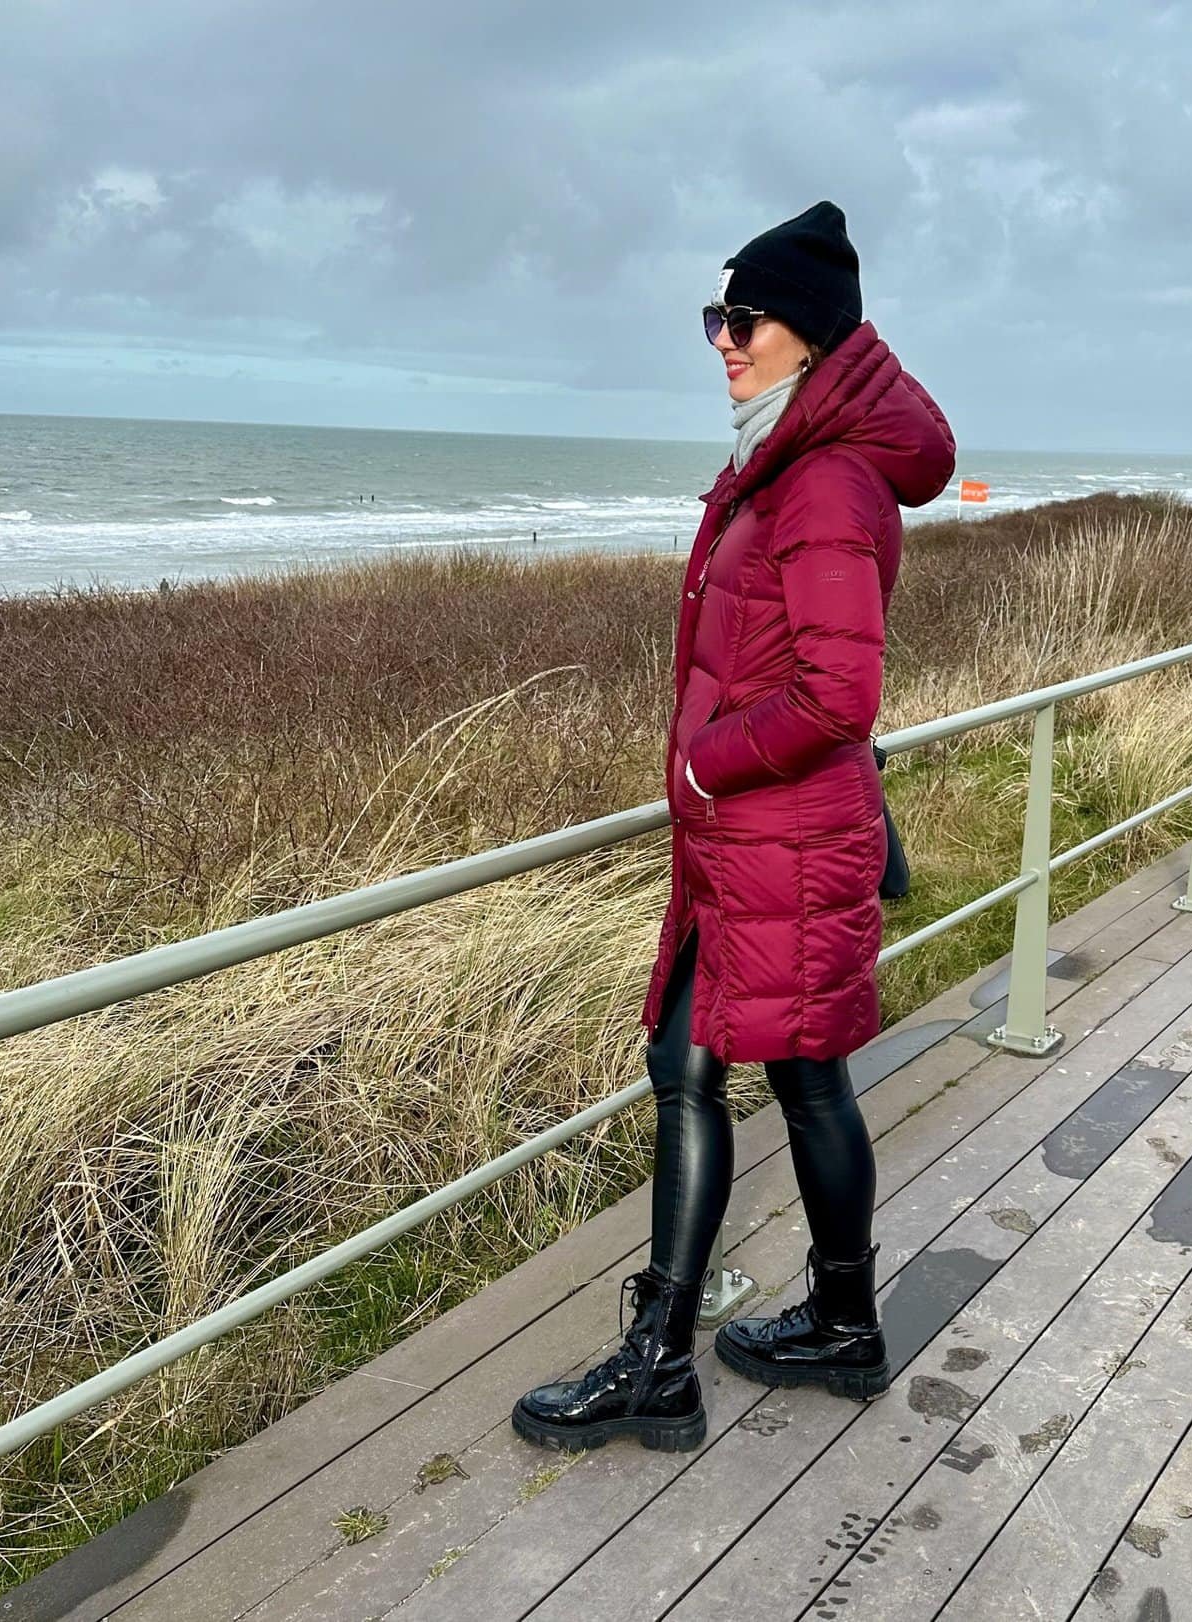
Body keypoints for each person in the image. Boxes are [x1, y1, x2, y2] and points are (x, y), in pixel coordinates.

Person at [511, 201, 957, 1453]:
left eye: (740, 319)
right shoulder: (792, 457)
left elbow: (837, 693)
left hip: (774, 832)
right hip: (760, 840)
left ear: (806, 335)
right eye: (715, 317)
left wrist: (706, 764)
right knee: (762, 1068)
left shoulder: (815, 479)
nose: (721, 339)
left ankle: (667, 1357)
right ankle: (835, 1322)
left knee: (724, 1069)